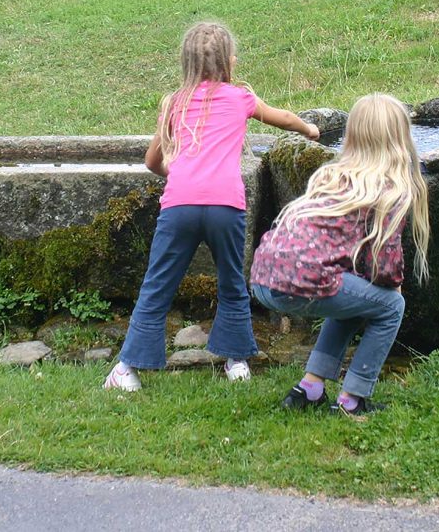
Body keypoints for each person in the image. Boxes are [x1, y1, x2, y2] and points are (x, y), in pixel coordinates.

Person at [104, 22, 319, 392]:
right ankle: (236, 362)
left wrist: (179, 170)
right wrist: (309, 130)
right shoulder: (240, 98)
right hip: (225, 206)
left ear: (187, 63)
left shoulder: (175, 103)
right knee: (232, 282)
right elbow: (283, 118)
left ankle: (127, 370)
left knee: (157, 285)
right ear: (227, 62)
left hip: (179, 206)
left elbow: (152, 161)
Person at [250, 93, 430, 416]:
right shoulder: (387, 188)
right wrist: (392, 286)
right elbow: (385, 265)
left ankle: (309, 388)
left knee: (351, 293)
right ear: (399, 139)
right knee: (390, 306)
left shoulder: (331, 175)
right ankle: (353, 400)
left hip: (264, 275)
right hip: (300, 282)